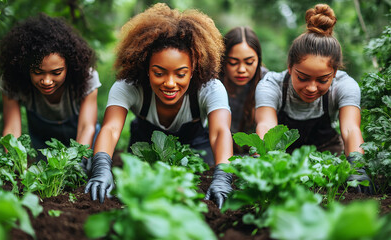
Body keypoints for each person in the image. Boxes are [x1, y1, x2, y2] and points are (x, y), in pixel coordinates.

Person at [84, 3, 233, 208]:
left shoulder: (210, 89)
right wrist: (101, 169)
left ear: (193, 69)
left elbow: (220, 132)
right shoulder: (128, 87)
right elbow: (110, 129)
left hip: (196, 149)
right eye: (159, 73)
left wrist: (223, 176)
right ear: (146, 68)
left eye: (180, 74)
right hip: (144, 149)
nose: (170, 83)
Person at [254, 4, 371, 193]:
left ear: (334, 74)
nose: (311, 87)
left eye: (323, 80)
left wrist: (357, 168)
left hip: (328, 155)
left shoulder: (345, 86)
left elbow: (350, 129)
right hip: (283, 158)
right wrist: (265, 167)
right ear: (290, 67)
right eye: (302, 77)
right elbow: (266, 127)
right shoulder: (271, 86)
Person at [0, 13, 101, 155]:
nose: (47, 81)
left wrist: (76, 166)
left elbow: (86, 127)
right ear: (25, 67)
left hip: (85, 142)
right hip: (44, 146)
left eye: (56, 73)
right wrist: (14, 163)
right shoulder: (13, 80)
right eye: (37, 72)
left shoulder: (86, 77)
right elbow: (12, 129)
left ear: (69, 67)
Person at [221, 26, 268, 154]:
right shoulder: (214, 81)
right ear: (223, 61)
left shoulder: (267, 81)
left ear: (258, 61)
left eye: (249, 62)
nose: (241, 69)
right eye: (233, 62)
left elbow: (266, 125)